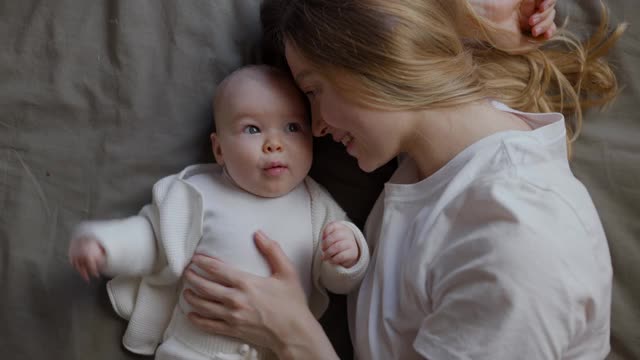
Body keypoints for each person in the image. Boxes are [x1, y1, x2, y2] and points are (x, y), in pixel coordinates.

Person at [179, 0, 626, 359]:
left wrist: (292, 333)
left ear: (376, 57)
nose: (315, 126)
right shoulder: (443, 152)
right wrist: (493, 18)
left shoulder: (516, 242)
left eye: (314, 90)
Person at [68, 65, 370, 360]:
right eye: (252, 129)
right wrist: (106, 245)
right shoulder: (199, 193)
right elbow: (152, 239)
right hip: (193, 349)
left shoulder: (316, 204)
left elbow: (339, 282)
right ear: (220, 150)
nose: (274, 144)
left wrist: (349, 254)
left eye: (292, 127)